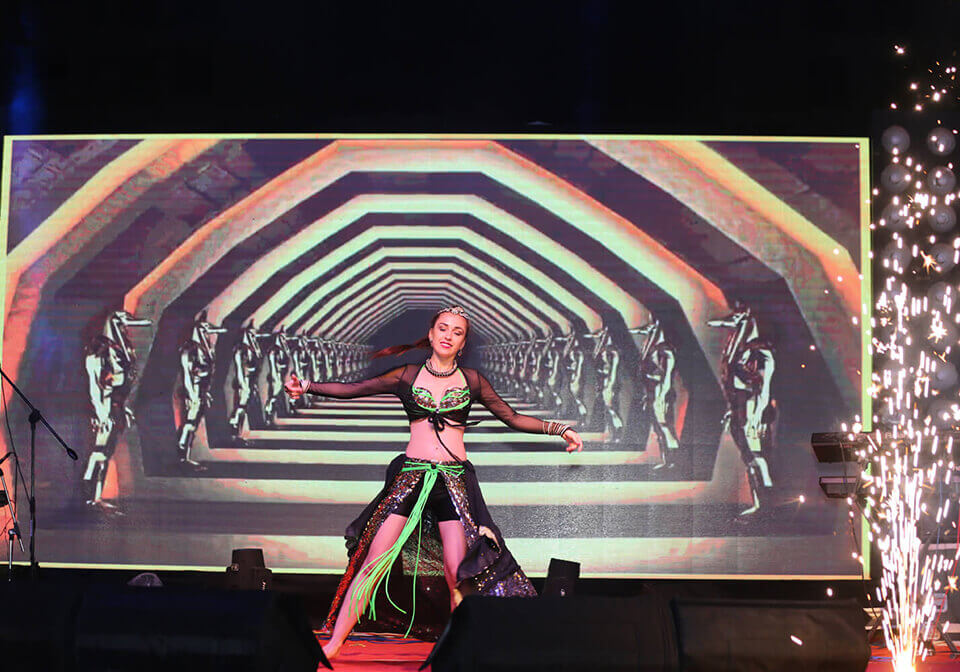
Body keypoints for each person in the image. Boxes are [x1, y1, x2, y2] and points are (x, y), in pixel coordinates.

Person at [284, 306, 583, 660]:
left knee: (457, 575)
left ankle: (459, 651)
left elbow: (512, 417)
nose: (448, 335)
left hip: (452, 483)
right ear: (430, 333)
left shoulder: (472, 381)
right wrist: (307, 387)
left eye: (457, 332)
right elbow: (357, 389)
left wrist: (560, 429)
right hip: (411, 478)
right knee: (372, 563)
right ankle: (334, 644)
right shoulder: (407, 375)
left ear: (463, 343)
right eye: (443, 328)